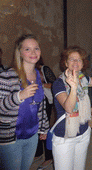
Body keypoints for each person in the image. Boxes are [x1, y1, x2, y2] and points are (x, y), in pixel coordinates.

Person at [0, 34, 49, 170]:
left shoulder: (38, 75)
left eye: (36, 48)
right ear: (20, 53)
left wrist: (43, 127)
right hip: (11, 136)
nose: (33, 53)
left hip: (32, 135)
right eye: (27, 49)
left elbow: (40, 105)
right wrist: (19, 96)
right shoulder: (7, 76)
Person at [52, 46, 92, 170]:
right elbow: (69, 108)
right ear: (65, 62)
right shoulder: (58, 83)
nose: (75, 62)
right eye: (72, 59)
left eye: (79, 60)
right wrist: (73, 88)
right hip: (65, 137)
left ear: (83, 64)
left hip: (83, 133)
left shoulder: (83, 79)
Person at [34, 58, 56, 169]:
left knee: (46, 129)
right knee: (37, 128)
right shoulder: (27, 70)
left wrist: (41, 84)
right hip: (35, 101)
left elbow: (55, 84)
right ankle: (38, 153)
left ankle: (49, 157)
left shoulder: (44, 69)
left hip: (46, 102)